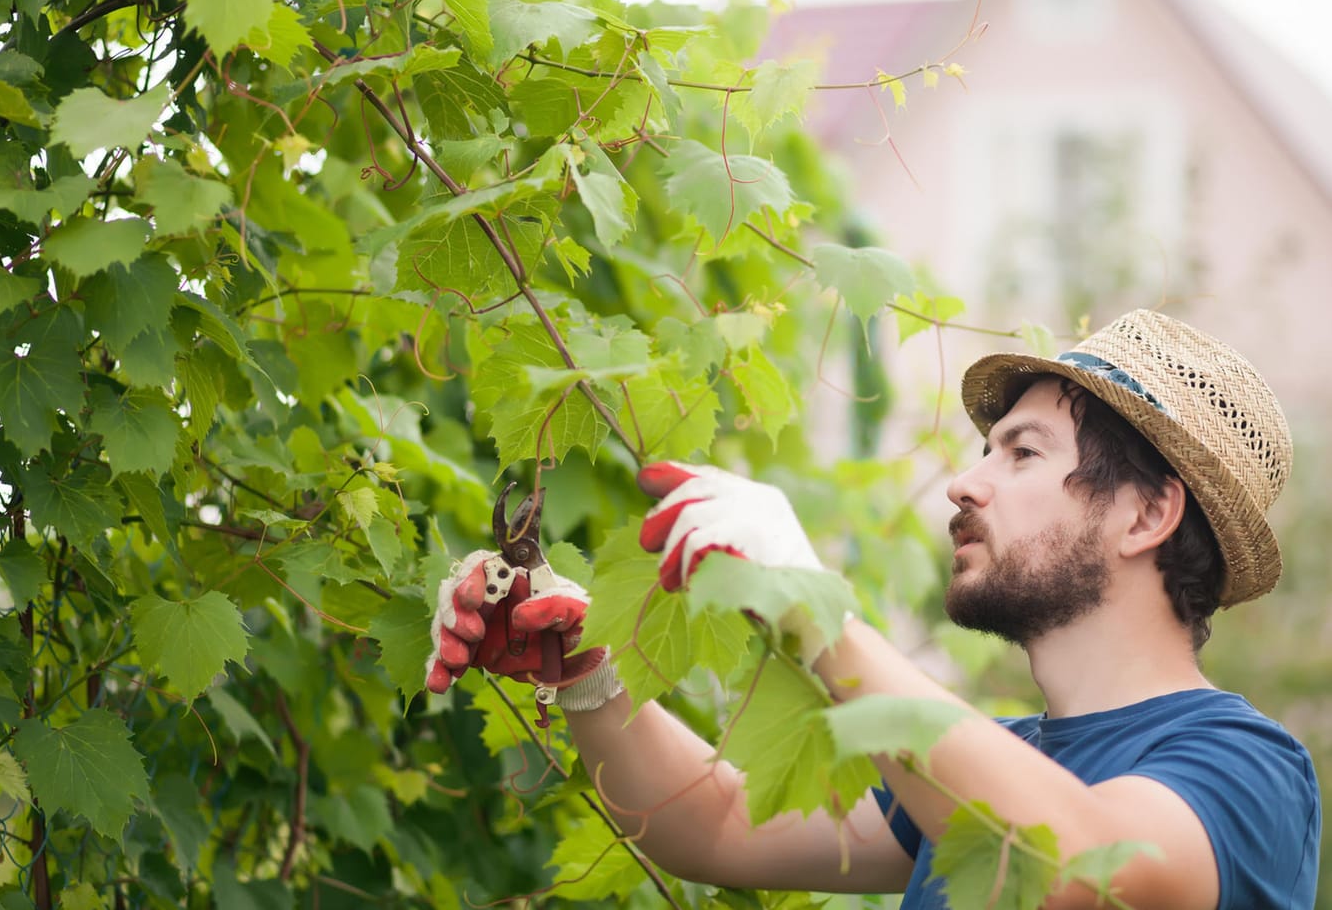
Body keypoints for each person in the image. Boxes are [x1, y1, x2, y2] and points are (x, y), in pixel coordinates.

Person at [426, 309, 1321, 909]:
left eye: (1021, 452)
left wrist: (817, 613)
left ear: (1147, 513)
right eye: (983, 450)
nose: (964, 484)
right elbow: (724, 828)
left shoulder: (1249, 770)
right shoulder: (994, 758)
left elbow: (1073, 866)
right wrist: (589, 672)